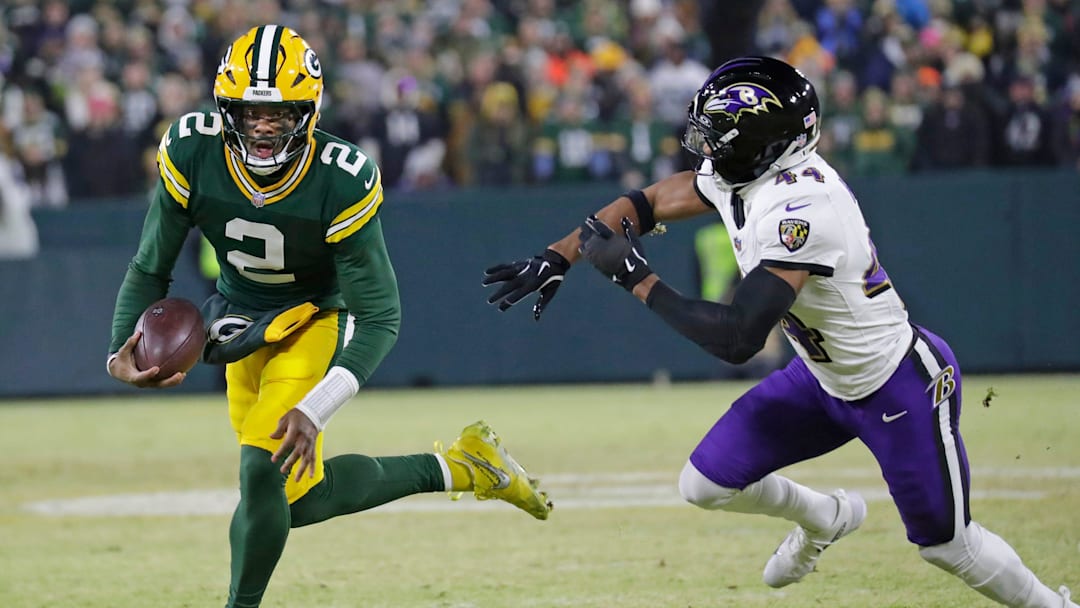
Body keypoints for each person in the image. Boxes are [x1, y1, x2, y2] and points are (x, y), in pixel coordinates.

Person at [482, 56, 1075, 607]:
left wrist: (636, 278)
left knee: (948, 546)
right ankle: (826, 517)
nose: (704, 149)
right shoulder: (747, 172)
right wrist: (560, 254)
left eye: (717, 137)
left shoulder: (804, 209)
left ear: (760, 144)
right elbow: (647, 203)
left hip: (895, 385)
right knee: (704, 484)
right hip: (821, 379)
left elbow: (738, 338)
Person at [106, 25, 551, 608]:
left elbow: (381, 316)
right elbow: (150, 266)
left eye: (279, 113)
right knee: (294, 499)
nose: (262, 129)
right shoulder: (192, 149)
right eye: (249, 112)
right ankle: (464, 466)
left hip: (312, 320)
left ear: (308, 112)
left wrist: (317, 407)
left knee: (262, 473)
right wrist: (121, 348)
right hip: (239, 326)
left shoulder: (339, 176)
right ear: (224, 109)